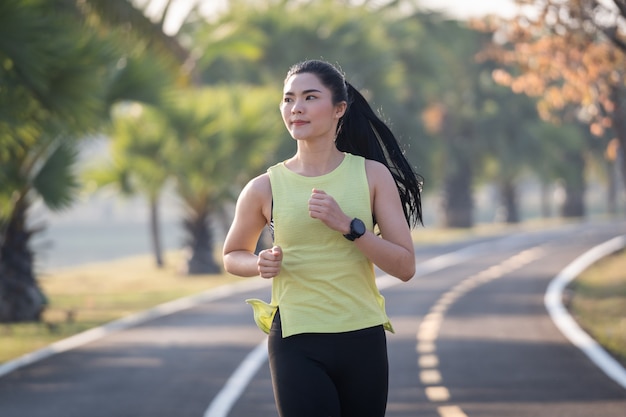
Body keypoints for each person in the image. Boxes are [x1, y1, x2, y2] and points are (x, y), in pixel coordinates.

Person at [222, 59, 423, 417]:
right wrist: (258, 263)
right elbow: (232, 254)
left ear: (339, 109)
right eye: (288, 99)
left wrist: (350, 227)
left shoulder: (372, 176)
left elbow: (405, 266)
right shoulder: (265, 187)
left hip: (362, 336)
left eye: (309, 97)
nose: (296, 108)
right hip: (296, 340)